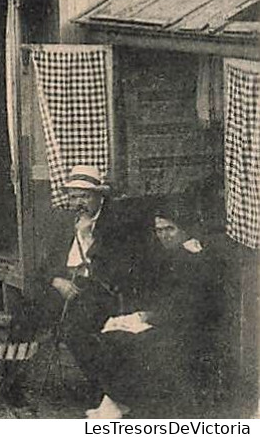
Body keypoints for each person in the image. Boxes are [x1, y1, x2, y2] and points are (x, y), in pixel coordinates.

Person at [87, 202, 223, 418]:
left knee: (133, 343)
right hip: (168, 319)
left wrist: (151, 316)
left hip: (192, 327)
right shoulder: (166, 255)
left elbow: (191, 304)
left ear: (184, 229)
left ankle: (122, 403)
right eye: (159, 230)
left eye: (170, 229)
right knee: (112, 335)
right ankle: (119, 401)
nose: (164, 235)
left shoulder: (196, 258)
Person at [45, 165, 156, 418]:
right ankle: (10, 381)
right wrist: (56, 281)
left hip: (99, 290)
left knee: (76, 331)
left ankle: (107, 392)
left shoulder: (114, 223)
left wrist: (87, 239)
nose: (78, 203)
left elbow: (119, 269)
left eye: (84, 196)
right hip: (64, 286)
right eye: (73, 196)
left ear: (99, 196)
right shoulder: (64, 221)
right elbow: (45, 264)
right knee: (28, 314)